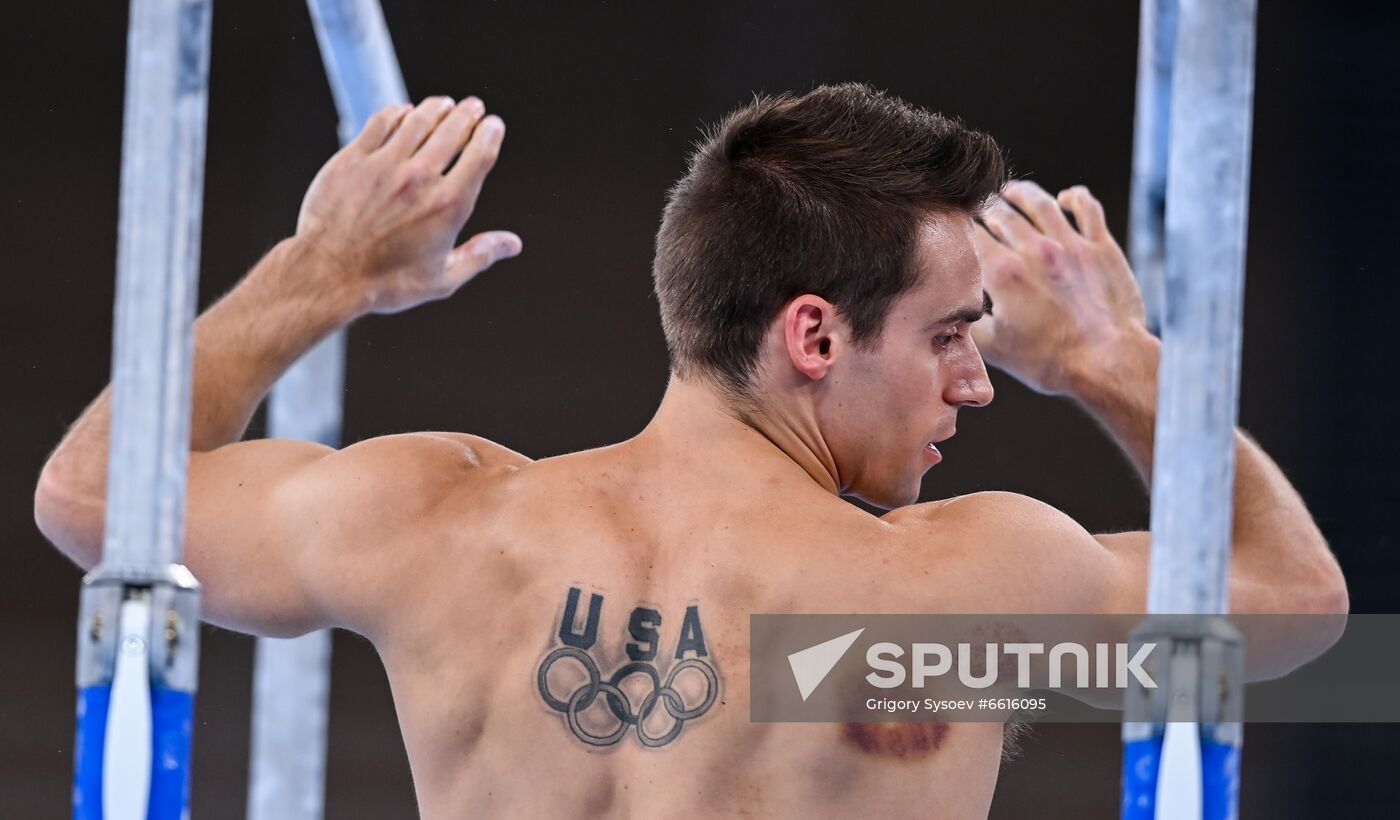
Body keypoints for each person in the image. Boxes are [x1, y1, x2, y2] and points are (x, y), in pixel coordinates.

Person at [34, 83, 1347, 818]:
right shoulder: (945, 606)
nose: (978, 381)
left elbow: (96, 495)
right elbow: (1297, 608)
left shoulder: (437, 526)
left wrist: (320, 276)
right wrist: (1110, 359)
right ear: (815, 335)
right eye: (955, 334)